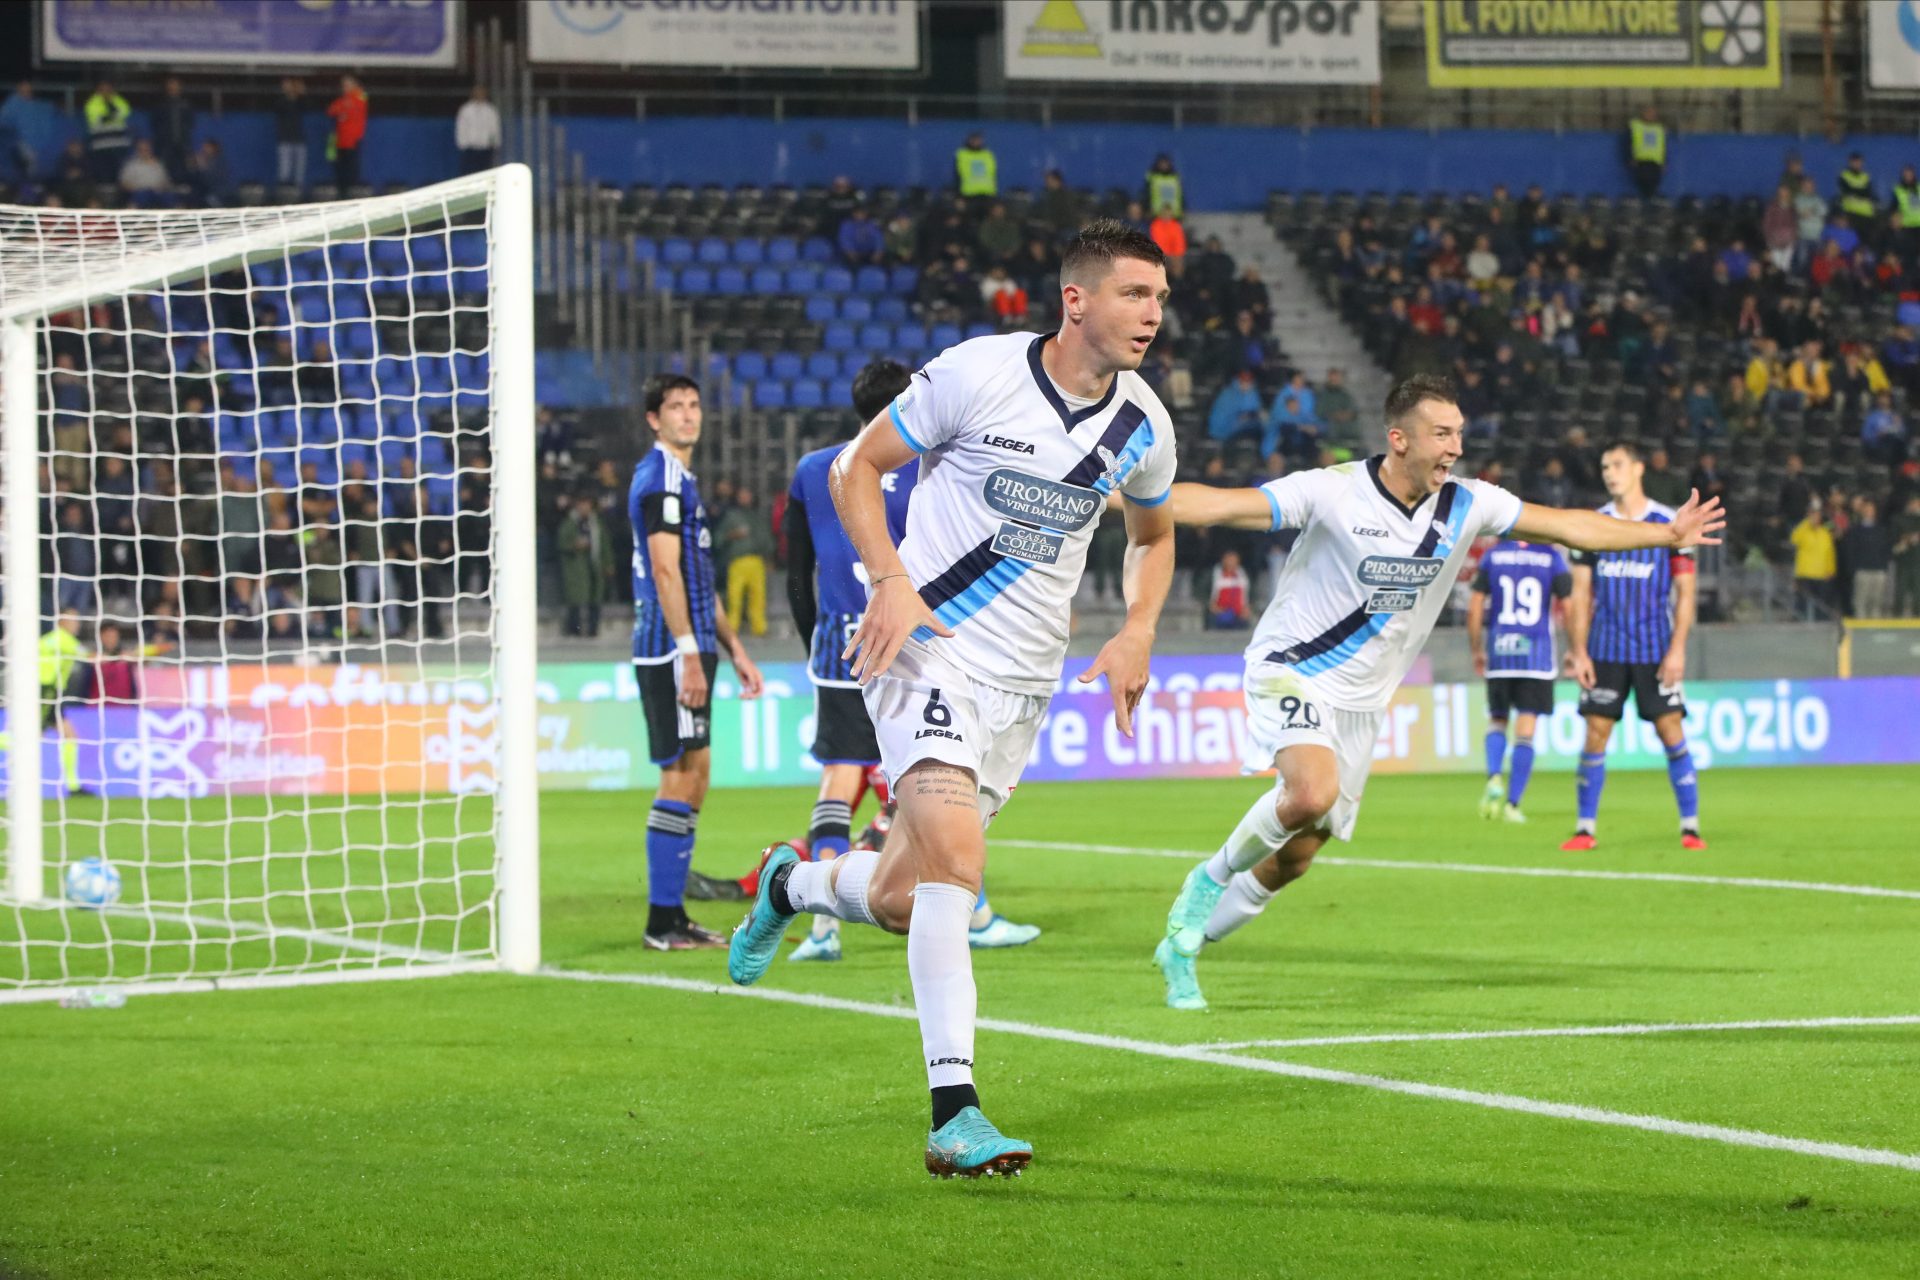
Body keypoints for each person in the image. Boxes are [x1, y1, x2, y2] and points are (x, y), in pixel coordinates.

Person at [726, 219, 1180, 1178]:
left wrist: (1138, 627)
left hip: (1023, 683)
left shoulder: (1145, 424)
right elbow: (858, 468)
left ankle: (793, 883)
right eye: (1135, 294)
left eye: (1160, 298)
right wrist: (889, 578)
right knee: (959, 870)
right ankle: (954, 1112)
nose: (1152, 314)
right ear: (1077, 299)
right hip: (924, 651)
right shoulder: (978, 372)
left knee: (900, 896)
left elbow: (1152, 535)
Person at [1146, 376, 1723, 1012]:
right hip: (1294, 668)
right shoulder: (1332, 491)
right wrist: (1116, 497)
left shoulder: (1468, 505)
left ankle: (1184, 947)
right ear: (1400, 439)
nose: (1455, 447)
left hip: (1363, 705)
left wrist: (1666, 535)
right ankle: (1206, 883)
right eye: (1442, 434)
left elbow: (1569, 527)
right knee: (1310, 791)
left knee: (1297, 857)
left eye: (1460, 434)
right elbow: (1219, 505)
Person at [777, 359, 1042, 961]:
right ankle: (976, 913)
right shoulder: (932, 466)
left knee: (842, 775)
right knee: (947, 782)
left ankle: (822, 931)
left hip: (837, 646)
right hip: (917, 644)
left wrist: (813, 640)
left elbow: (796, 573)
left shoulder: (816, 470)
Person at [629, 374, 765, 950]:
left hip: (696, 645)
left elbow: (696, 579)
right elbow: (664, 573)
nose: (688, 415)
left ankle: (674, 914)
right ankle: (662, 923)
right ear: (654, 420)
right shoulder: (659, 478)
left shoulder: (682, 479)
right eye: (675, 407)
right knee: (679, 775)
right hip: (669, 647)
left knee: (698, 773)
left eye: (693, 405)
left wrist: (733, 650)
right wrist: (688, 653)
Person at [1561, 443, 1708, 853]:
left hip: (1654, 650)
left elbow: (1685, 591)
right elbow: (1581, 591)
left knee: (1671, 730)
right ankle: (1585, 828)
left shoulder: (1669, 524)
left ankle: (1691, 827)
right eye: (1605, 466)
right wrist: (1579, 650)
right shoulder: (1594, 525)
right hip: (1605, 649)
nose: (1610, 472)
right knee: (1595, 733)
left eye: (1618, 465)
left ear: (1639, 468)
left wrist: (1678, 649)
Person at [1469, 536, 1572, 823]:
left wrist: (1477, 648)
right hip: (1536, 657)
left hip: (1500, 653)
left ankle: (1493, 776)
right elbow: (1568, 604)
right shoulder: (1551, 556)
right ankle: (1513, 805)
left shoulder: (1492, 556)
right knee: (1525, 731)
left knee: (1497, 720)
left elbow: (1476, 605)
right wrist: (1576, 649)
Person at [717, 486, 772, 637]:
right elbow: (718, 538)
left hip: (756, 560)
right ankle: (731, 629)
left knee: (758, 597)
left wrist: (768, 557)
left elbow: (766, 538)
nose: (745, 498)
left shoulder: (757, 516)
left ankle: (759, 628)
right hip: (737, 561)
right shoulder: (731, 516)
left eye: (747, 495)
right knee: (735, 597)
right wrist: (732, 535)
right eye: (742, 495)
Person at [557, 491, 606, 637]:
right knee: (575, 600)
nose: (585, 508)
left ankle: (593, 630)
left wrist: (608, 563)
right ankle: (574, 630)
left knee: (595, 599)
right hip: (576, 568)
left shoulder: (596, 524)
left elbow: (605, 544)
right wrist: (575, 545)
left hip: (594, 565)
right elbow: (561, 543)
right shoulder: (569, 523)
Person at [1844, 497, 1894, 619]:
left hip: (1879, 570)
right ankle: (1861, 632)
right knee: (1860, 601)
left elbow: (1886, 549)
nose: (1868, 512)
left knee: (1877, 602)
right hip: (1862, 570)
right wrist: (1854, 568)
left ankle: (1874, 630)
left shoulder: (1881, 530)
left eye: (1871, 509)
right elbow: (1849, 551)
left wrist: (1883, 566)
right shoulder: (1855, 530)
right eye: (1866, 509)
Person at [0, 80, 58, 180]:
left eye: (28, 89)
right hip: (22, 144)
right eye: (23, 89)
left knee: (36, 171)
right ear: (18, 90)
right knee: (28, 170)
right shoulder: (13, 104)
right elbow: (4, 121)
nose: (26, 91)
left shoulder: (39, 106)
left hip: (39, 145)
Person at [1790, 498, 1837, 618]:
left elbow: (1830, 553)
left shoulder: (1825, 533)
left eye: (1817, 514)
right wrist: (1806, 522)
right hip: (1805, 575)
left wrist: (1831, 570)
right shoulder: (1802, 530)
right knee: (1803, 607)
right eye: (1812, 514)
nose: (1815, 517)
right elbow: (1794, 539)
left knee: (1821, 607)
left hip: (1821, 575)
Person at [83, 80, 132, 183]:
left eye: (108, 88)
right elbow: (97, 120)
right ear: (98, 90)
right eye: (103, 89)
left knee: (120, 174)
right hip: (101, 145)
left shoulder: (118, 100)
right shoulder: (92, 103)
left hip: (118, 144)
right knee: (104, 173)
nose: (106, 91)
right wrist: (113, 115)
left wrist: (109, 114)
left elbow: (125, 111)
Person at [150, 76, 195, 182]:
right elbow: (155, 122)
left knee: (184, 167)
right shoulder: (161, 104)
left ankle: (183, 187)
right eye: (170, 85)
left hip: (182, 142)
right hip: (165, 143)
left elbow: (190, 122)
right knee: (166, 168)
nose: (173, 88)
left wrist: (185, 135)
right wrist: (162, 136)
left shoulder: (186, 103)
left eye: (175, 85)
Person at [327, 75, 369, 189]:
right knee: (340, 168)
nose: (344, 87)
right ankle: (342, 191)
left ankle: (351, 191)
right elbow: (331, 110)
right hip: (340, 140)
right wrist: (343, 109)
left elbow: (356, 108)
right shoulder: (342, 100)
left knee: (352, 168)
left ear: (354, 85)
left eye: (347, 84)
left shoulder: (361, 96)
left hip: (353, 140)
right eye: (343, 85)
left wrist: (345, 110)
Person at [454, 85, 499, 176]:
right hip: (470, 148)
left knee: (485, 173)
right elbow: (461, 127)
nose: (480, 95)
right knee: (469, 173)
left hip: (485, 148)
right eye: (478, 93)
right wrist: (462, 143)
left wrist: (495, 143)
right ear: (473, 94)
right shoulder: (466, 109)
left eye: (482, 93)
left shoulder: (490, 110)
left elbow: (494, 127)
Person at [1626, 104, 1665, 198]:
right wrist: (1630, 157)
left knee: (1654, 184)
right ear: (1642, 114)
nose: (1650, 115)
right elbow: (1628, 143)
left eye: (1652, 113)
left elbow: (1662, 146)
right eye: (1648, 113)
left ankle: (1652, 203)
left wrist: (1664, 161)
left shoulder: (1659, 128)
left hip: (1655, 162)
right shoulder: (1635, 126)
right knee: (1643, 183)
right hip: (1641, 160)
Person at [1836, 152, 1877, 244]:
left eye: (1859, 162)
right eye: (1855, 162)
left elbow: (1868, 193)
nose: (1857, 164)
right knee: (1852, 242)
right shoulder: (1844, 175)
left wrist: (1854, 190)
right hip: (1851, 214)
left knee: (1866, 243)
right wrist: (1861, 191)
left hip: (1866, 215)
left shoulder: (1866, 176)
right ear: (1850, 162)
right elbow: (1847, 190)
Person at [275, 77, 307, 191]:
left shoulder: (300, 101)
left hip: (299, 139)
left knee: (299, 171)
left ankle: (298, 193)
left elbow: (306, 106)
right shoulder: (281, 101)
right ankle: (284, 193)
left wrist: (300, 93)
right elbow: (280, 109)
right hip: (285, 139)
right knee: (285, 170)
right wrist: (290, 95)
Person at [1208, 549, 1252, 628]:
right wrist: (1216, 609)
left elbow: (1246, 597)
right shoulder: (1216, 575)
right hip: (1220, 612)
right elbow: (1211, 599)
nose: (1231, 562)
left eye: (1233, 560)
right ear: (1224, 560)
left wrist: (1246, 609)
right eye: (1229, 560)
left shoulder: (1242, 575)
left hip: (1238, 614)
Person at [954, 130, 996, 209]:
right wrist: (958, 197)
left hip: (987, 195)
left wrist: (993, 196)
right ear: (969, 140)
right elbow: (957, 177)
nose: (977, 142)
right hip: (968, 195)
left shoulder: (988, 154)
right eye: (974, 139)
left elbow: (993, 175)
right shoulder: (962, 154)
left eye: (979, 139)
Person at [1145, 153, 1182, 219]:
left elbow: (1180, 196)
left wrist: (1182, 209)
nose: (1164, 165)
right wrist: (1147, 208)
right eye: (1162, 163)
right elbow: (1146, 194)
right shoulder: (1152, 178)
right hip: (1156, 214)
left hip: (1174, 215)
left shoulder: (1175, 178)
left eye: (1165, 163)